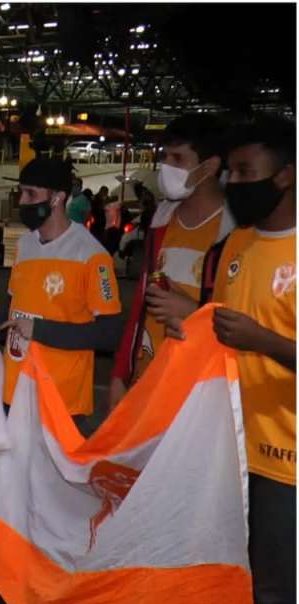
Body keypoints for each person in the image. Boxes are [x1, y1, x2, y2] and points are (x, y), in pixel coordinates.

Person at [0, 158, 121, 585]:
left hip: (59, 400)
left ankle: (60, 567)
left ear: (59, 198)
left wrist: (40, 329)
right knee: (8, 486)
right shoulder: (25, 245)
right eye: (21, 193)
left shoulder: (91, 257)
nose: (22, 202)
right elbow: (13, 301)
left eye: (30, 195)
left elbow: (108, 331)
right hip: (15, 390)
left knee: (54, 493)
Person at [198, 118, 295, 604]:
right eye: (229, 173)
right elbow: (219, 333)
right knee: (233, 579)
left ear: (286, 175)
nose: (233, 184)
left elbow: (254, 338)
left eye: (244, 170)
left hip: (287, 464)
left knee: (278, 593)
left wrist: (264, 342)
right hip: (232, 450)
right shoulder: (237, 246)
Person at [110, 114, 233, 407]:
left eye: (178, 158)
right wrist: (119, 375)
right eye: (165, 156)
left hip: (200, 391)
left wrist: (195, 312)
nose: (167, 167)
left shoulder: (235, 230)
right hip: (147, 381)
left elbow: (246, 320)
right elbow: (140, 304)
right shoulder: (161, 221)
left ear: (210, 166)